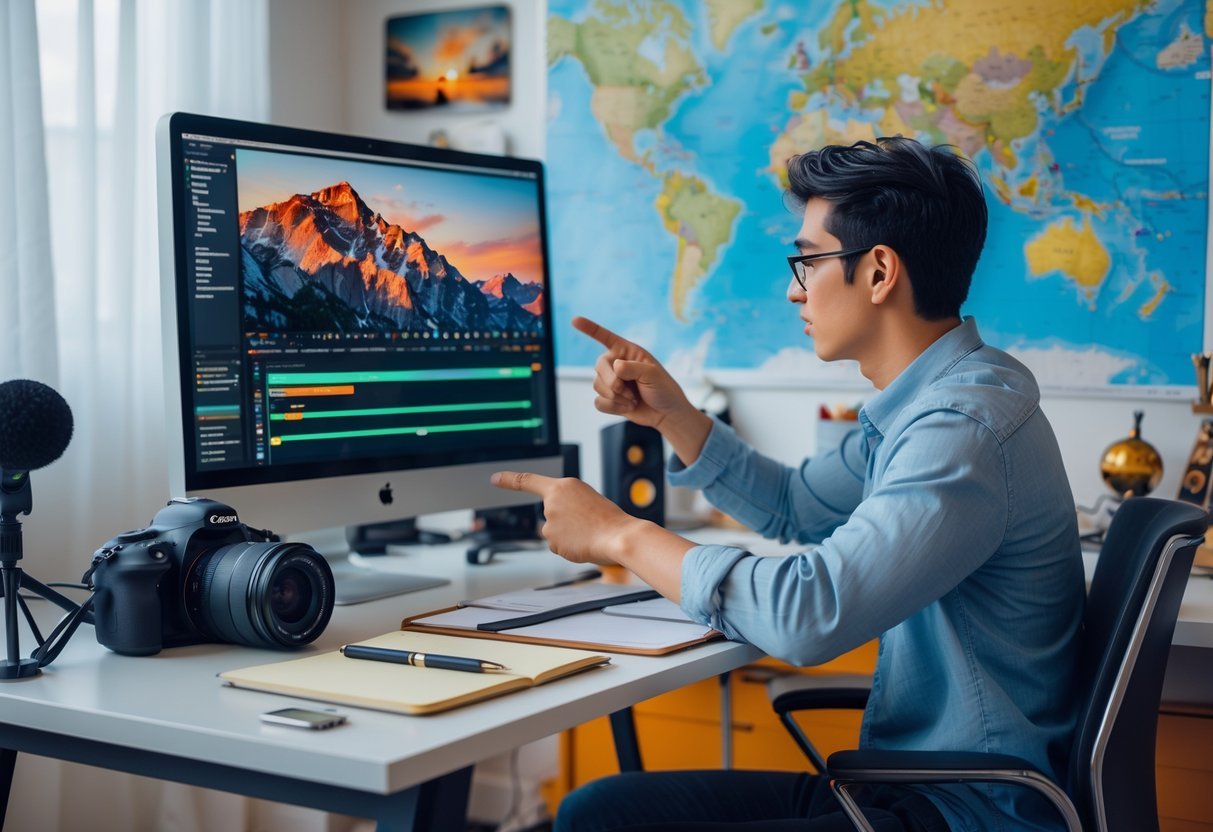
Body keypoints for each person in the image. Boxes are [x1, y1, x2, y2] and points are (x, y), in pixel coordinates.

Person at [491, 137, 1084, 831]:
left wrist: (619, 534)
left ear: (878, 272)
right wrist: (674, 416)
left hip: (962, 812)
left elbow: (809, 615)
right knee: (599, 810)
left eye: (807, 260)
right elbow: (797, 506)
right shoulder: (933, 403)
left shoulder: (960, 429)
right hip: (913, 788)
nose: (791, 287)